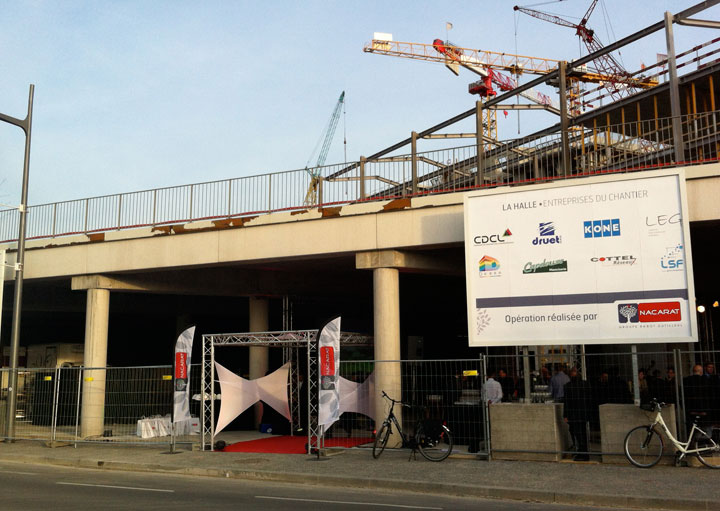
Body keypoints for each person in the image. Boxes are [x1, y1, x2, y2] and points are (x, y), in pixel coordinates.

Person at [563, 368, 593, 461]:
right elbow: (590, 399)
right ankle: (584, 452)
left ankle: (582, 452)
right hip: (583, 413)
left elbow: (567, 402)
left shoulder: (568, 386)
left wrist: (565, 415)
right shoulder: (585, 384)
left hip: (574, 414)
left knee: (576, 433)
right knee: (582, 433)